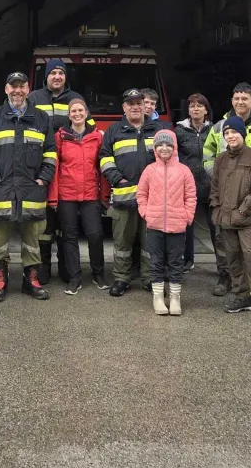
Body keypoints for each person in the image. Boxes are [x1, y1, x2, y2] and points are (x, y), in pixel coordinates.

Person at [0, 72, 57, 303]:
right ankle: (0, 281)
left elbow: (50, 152)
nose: (17, 91)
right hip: (1, 190)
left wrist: (43, 178)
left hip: (31, 190)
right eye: (13, 87)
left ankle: (31, 281)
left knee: (32, 239)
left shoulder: (41, 118)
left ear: (28, 89)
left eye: (21, 86)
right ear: (6, 89)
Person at [203, 82, 251, 297]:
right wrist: (216, 176)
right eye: (236, 98)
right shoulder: (219, 127)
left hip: (250, 197)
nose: (240, 102)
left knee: (250, 248)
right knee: (224, 243)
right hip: (226, 195)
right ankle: (225, 277)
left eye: (244, 98)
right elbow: (207, 153)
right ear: (232, 101)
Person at [28, 57, 89, 285]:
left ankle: (65, 266)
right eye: (53, 73)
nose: (57, 77)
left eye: (61, 73)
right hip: (41, 168)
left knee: (65, 223)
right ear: (46, 76)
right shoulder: (33, 98)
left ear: (65, 77)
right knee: (44, 223)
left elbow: (88, 130)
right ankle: (43, 266)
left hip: (67, 172)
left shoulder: (76, 99)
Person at [210, 117, 251, 327]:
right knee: (233, 261)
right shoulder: (220, 160)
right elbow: (215, 188)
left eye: (234, 132)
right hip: (226, 220)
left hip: (247, 220)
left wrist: (244, 209)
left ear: (242, 134)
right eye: (227, 134)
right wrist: (216, 209)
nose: (230, 136)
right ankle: (241, 297)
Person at [99, 88, 159, 296]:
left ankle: (150, 278)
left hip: (153, 199)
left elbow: (169, 158)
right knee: (122, 241)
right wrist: (117, 179)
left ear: (145, 106)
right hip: (124, 196)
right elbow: (104, 158)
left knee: (150, 241)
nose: (135, 107)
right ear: (124, 108)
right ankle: (122, 278)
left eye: (139, 103)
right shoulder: (113, 131)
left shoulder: (157, 129)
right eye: (130, 104)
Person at [47, 97, 108, 295]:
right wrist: (53, 196)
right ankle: (75, 277)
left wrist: (105, 195)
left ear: (87, 113)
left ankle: (98, 273)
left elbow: (102, 168)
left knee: (95, 235)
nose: (77, 114)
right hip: (67, 194)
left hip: (91, 193)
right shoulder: (60, 137)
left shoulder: (98, 137)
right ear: (68, 115)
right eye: (73, 111)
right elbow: (55, 169)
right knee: (69, 237)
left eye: (81, 110)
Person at [137, 130, 196, 316]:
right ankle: (158, 297)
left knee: (176, 263)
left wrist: (187, 217)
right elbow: (141, 194)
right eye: (160, 145)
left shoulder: (184, 171)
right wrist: (146, 213)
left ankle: (175, 297)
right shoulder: (149, 170)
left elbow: (191, 196)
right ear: (155, 148)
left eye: (168, 145)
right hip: (154, 225)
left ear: (174, 147)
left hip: (177, 226)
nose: (164, 148)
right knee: (156, 262)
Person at [175, 93, 214, 273]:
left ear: (206, 110)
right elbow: (173, 155)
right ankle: (187, 260)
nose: (195, 109)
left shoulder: (215, 130)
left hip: (211, 185)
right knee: (186, 225)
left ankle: (222, 265)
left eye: (199, 106)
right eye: (192, 106)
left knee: (215, 226)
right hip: (187, 186)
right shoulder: (179, 131)